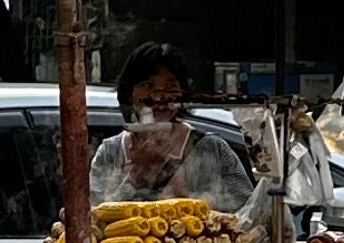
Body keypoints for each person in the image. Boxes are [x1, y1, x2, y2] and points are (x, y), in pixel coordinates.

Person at [87, 44, 260, 211]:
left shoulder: (213, 149)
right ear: (129, 95)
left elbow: (247, 214)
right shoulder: (110, 151)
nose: (160, 96)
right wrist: (137, 176)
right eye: (148, 85)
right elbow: (95, 215)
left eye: (170, 86)